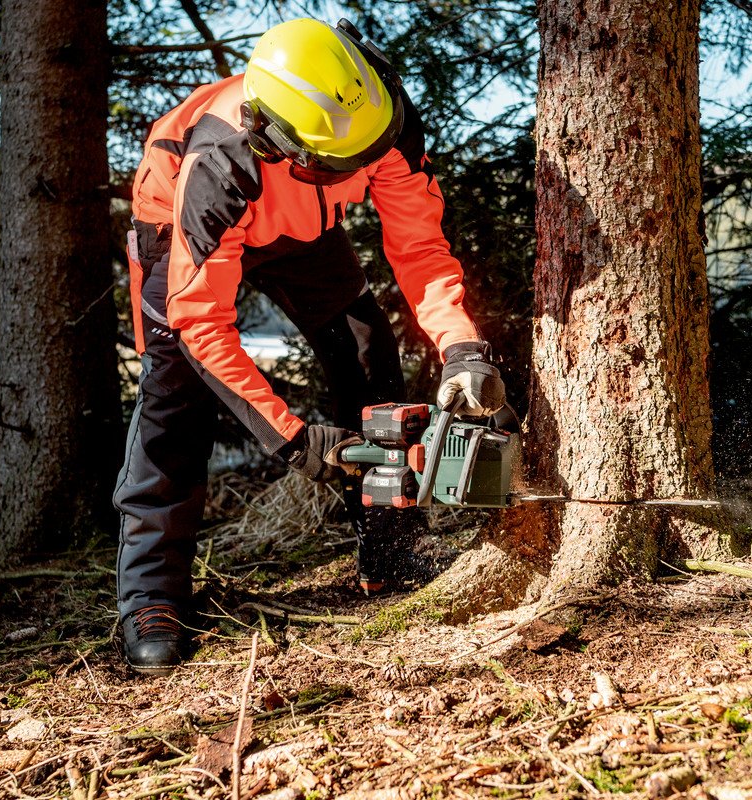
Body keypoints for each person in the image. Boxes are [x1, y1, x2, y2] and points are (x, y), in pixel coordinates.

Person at [115, 17, 507, 675]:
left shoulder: (379, 116)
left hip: (304, 225)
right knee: (174, 397)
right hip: (179, 229)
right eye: (347, 165)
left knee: (366, 354)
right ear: (279, 143)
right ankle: (153, 594)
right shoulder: (220, 165)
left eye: (370, 153)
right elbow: (201, 323)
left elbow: (418, 247)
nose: (367, 170)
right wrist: (293, 439)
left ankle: (392, 549)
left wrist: (462, 348)